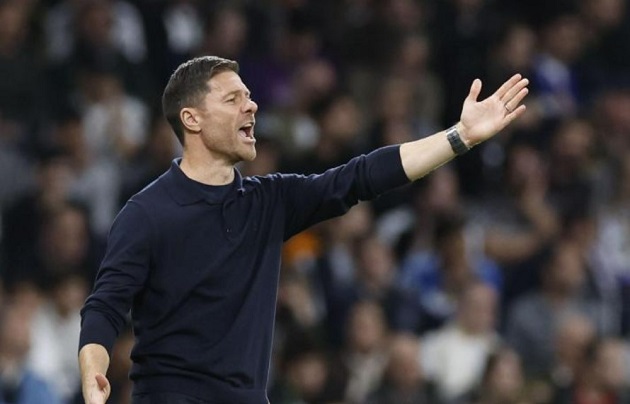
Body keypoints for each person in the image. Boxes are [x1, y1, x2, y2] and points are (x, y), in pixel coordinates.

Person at [78, 55, 529, 404]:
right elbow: (105, 306)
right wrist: (93, 375)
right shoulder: (147, 213)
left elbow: (359, 177)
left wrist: (459, 136)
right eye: (232, 99)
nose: (251, 105)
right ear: (191, 119)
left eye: (249, 96)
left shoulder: (269, 201)